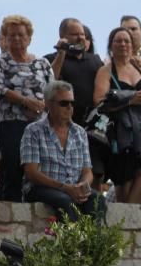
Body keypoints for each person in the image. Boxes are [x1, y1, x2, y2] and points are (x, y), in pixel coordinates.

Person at [0, 14, 54, 202]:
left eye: (21, 35)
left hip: (41, 126)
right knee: (12, 169)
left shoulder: (42, 63)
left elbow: (53, 90)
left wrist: (41, 108)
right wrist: (26, 102)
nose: (16, 39)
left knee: (40, 170)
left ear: (29, 38)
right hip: (11, 124)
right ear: (5, 39)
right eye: (11, 35)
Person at [94, 27, 141, 204]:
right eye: (118, 41)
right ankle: (125, 222)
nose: (123, 44)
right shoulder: (106, 71)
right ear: (111, 45)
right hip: (120, 133)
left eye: (127, 41)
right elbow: (98, 101)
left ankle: (127, 217)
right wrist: (131, 100)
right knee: (124, 181)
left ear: (133, 45)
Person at [21, 80, 102, 221]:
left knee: (96, 200)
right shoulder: (33, 131)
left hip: (73, 187)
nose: (69, 107)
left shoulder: (80, 132)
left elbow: (87, 171)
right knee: (65, 201)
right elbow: (31, 172)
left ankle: (92, 243)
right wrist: (65, 187)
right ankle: (72, 242)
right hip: (42, 188)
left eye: (72, 103)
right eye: (64, 103)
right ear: (49, 104)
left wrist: (83, 185)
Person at [47, 18, 109, 189]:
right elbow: (49, 80)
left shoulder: (95, 60)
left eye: (82, 34)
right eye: (74, 34)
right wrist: (61, 52)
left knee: (94, 169)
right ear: (63, 36)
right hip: (62, 124)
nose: (80, 38)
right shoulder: (51, 58)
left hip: (90, 127)